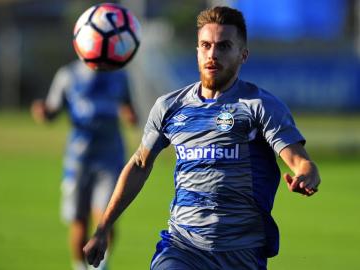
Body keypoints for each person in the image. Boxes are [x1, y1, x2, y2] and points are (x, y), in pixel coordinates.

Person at [83, 6, 321, 270]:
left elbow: (301, 162)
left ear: (243, 55)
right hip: (182, 246)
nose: (212, 54)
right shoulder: (169, 106)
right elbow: (140, 163)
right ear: (197, 50)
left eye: (223, 46)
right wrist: (103, 227)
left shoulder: (260, 106)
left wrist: (306, 175)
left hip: (240, 253)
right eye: (205, 45)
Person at [31, 59, 137, 270]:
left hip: (111, 157)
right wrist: (43, 113)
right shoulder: (68, 74)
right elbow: (52, 111)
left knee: (106, 221)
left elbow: (128, 107)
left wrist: (130, 116)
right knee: (79, 220)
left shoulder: (119, 75)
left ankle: (99, 267)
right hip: (79, 159)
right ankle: (79, 266)